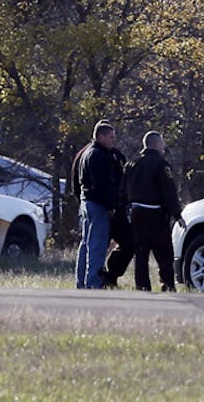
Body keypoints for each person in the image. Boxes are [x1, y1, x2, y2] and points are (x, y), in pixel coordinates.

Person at [124, 130, 184, 292]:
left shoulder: (132, 163)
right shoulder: (161, 164)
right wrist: (176, 213)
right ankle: (167, 284)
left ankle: (142, 286)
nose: (164, 145)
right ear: (156, 144)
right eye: (162, 142)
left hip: (136, 213)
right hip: (156, 214)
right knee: (163, 252)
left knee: (141, 253)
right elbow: (168, 191)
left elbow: (123, 190)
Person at [71, 121, 124, 288]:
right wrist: (111, 206)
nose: (113, 140)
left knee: (86, 244)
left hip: (87, 203)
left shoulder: (88, 153)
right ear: (100, 137)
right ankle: (93, 283)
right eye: (110, 137)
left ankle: (81, 282)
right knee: (97, 246)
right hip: (97, 205)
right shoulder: (97, 156)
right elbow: (101, 185)